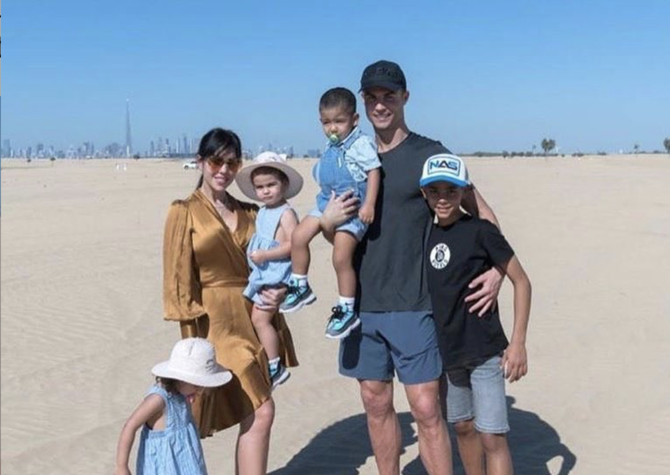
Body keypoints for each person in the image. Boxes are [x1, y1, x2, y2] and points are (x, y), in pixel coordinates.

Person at [320, 60, 505, 474]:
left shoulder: (430, 153)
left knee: (425, 407)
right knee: (375, 400)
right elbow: (341, 234)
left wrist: (496, 270)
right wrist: (328, 226)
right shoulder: (349, 153)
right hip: (360, 305)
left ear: (405, 98)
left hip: (417, 301)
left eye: (389, 96)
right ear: (362, 102)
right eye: (372, 97)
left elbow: (484, 215)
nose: (380, 105)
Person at [162, 128, 298, 474]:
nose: (223, 169)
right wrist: (191, 342)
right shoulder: (184, 212)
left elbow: (282, 258)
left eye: (231, 161)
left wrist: (282, 291)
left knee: (257, 412)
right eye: (215, 160)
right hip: (213, 325)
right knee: (260, 409)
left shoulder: (254, 212)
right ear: (200, 162)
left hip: (256, 318)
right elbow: (178, 281)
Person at [421, 154, 531, 475]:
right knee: (463, 427)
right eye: (435, 191)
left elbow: (522, 282)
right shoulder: (425, 236)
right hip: (449, 356)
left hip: (484, 352)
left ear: (464, 192)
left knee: (492, 435)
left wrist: (518, 343)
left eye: (451, 191)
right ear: (424, 194)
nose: (443, 198)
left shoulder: (481, 231)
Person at [283, 87, 381, 340]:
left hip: (352, 206)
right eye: (327, 122)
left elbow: (373, 172)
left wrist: (369, 204)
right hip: (327, 201)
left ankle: (346, 309)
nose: (332, 128)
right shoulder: (330, 144)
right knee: (298, 236)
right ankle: (299, 284)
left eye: (339, 121)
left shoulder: (360, 143)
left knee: (340, 256)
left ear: (354, 120)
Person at [235, 151, 303, 389]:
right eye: (260, 187)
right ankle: (273, 361)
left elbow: (294, 245)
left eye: (270, 185)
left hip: (276, 273)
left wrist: (265, 255)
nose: (265, 191)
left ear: (283, 184)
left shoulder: (286, 213)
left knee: (261, 320)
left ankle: (275, 364)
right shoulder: (263, 211)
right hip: (264, 273)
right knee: (258, 319)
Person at [115, 338, 232, 475]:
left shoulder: (182, 392)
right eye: (197, 385)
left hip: (187, 462)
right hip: (164, 466)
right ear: (180, 378)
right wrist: (121, 466)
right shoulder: (158, 400)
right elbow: (130, 426)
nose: (200, 390)